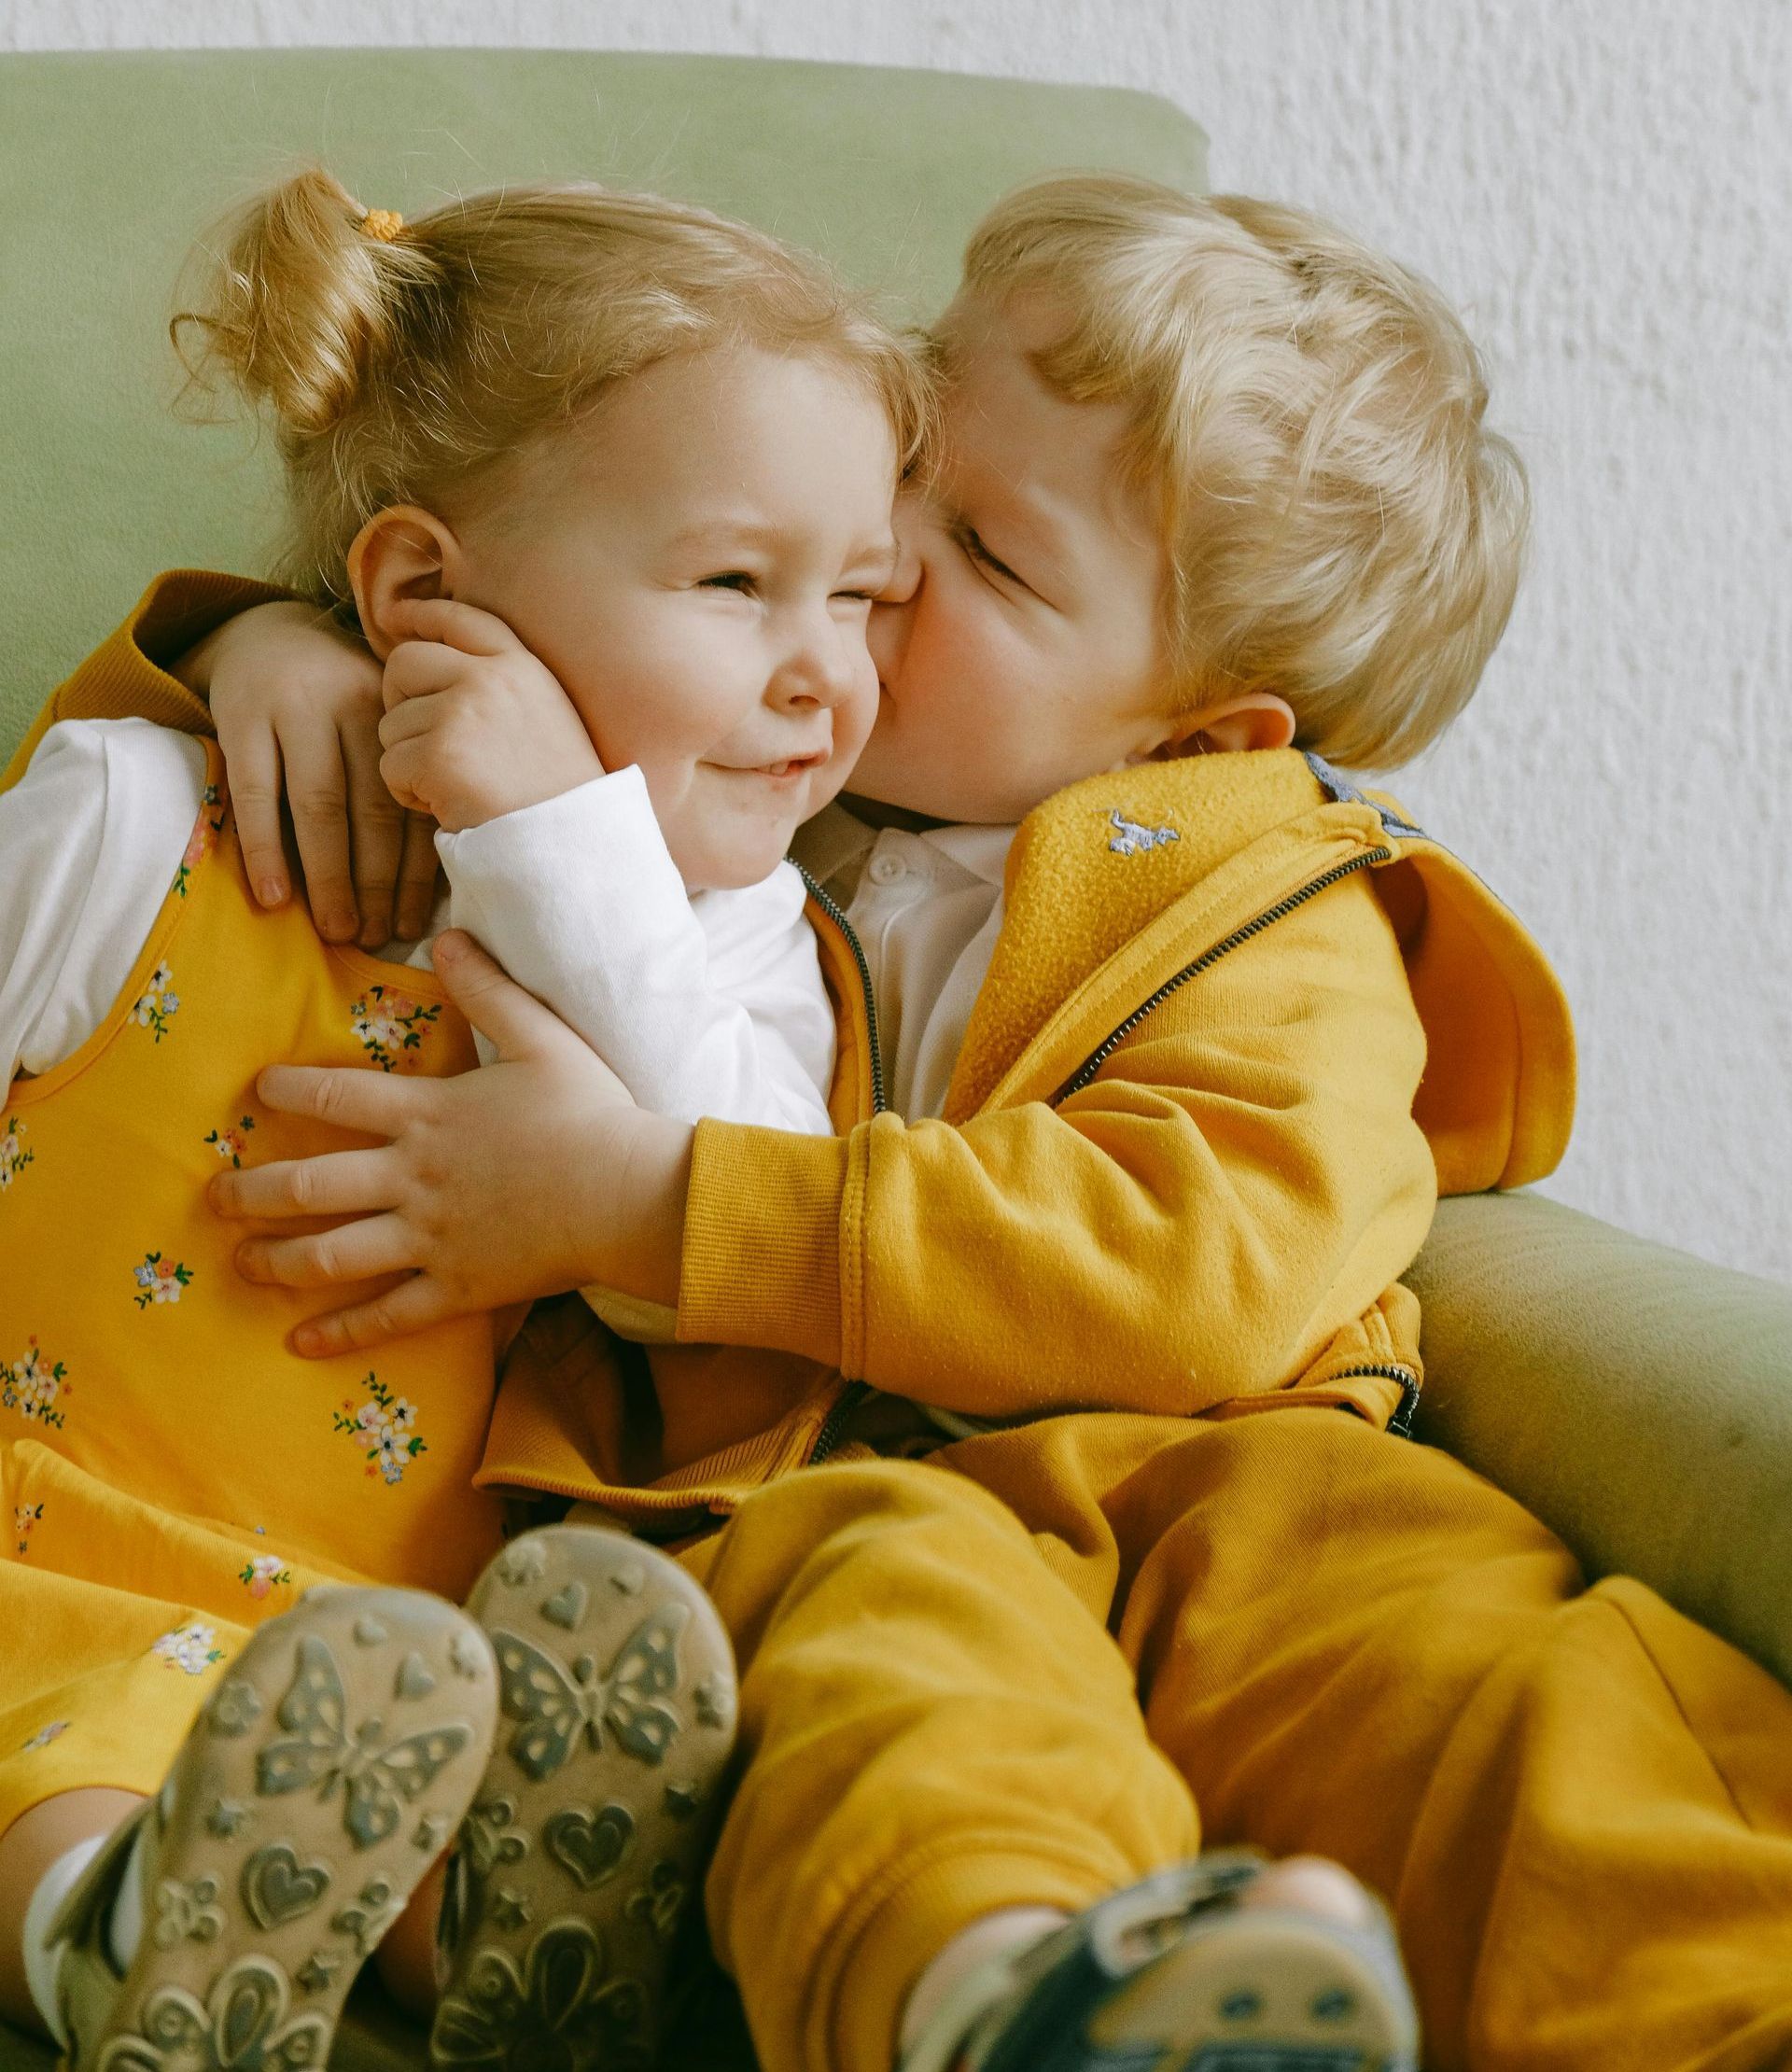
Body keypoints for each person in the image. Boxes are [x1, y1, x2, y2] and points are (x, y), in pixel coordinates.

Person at [19, 173, 1792, 2072]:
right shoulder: (765, 807)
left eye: (987, 554)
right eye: (916, 465)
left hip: (1232, 1495)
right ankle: (1022, 2005)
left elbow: (1196, 1270)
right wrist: (281, 648)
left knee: (1518, 1712)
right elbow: (547, 584)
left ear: (1201, 739)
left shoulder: (1271, 904)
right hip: (868, 1522)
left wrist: (654, 1207)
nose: (884, 564)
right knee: (906, 1713)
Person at [0, 167, 931, 2069]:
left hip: (393, 1670)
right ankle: (127, 1950)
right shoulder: (141, 818)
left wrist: (559, 838)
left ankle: (513, 1951)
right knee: (65, 1729)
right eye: (736, 583)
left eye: (862, 594)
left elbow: (751, 1241)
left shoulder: (753, 955)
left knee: (432, 1763)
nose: (827, 675)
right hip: (35, 1540)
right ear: (423, 596)